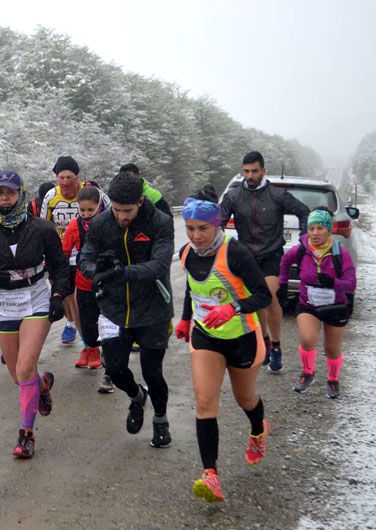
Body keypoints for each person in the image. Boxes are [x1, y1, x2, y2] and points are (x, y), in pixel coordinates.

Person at [0, 171, 70, 458]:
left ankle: (26, 435)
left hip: (35, 300)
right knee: (19, 378)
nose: (5, 198)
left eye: (10, 192)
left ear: (21, 194)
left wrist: (58, 296)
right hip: (4, 304)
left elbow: (60, 267)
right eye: (0, 193)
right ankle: (42, 383)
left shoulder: (42, 228)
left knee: (24, 368)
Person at [173, 190, 272, 503]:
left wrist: (233, 308)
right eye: (190, 229)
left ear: (217, 226)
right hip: (205, 336)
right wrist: (186, 320)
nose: (196, 236)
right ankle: (210, 474)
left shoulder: (235, 253)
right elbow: (193, 289)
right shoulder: (186, 253)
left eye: (203, 228)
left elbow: (264, 295)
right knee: (205, 402)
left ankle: (258, 429)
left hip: (242, 337)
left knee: (245, 398)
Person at [79, 173, 173, 448]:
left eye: (128, 211)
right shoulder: (101, 223)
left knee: (153, 372)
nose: (122, 216)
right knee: (115, 369)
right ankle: (137, 397)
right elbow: (85, 257)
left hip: (153, 308)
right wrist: (98, 270)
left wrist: (123, 273)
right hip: (114, 308)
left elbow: (160, 265)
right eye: (117, 210)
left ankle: (160, 419)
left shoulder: (160, 222)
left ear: (140, 202)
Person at [220, 151, 309, 372]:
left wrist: (304, 239)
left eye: (254, 171)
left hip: (271, 254)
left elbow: (304, 212)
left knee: (269, 297)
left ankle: (276, 346)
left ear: (263, 170)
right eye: (246, 171)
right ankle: (265, 341)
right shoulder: (233, 196)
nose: (250, 176)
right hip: (246, 256)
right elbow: (218, 221)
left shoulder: (277, 195)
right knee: (256, 301)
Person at [278, 207, 356, 399]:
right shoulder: (301, 250)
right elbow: (285, 262)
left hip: (335, 306)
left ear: (329, 230)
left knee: (331, 349)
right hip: (308, 304)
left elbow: (351, 284)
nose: (315, 233)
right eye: (311, 228)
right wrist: (283, 284)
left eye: (320, 228)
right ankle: (307, 373)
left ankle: (333, 379)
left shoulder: (340, 254)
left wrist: (333, 283)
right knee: (307, 339)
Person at [41, 156, 110, 346]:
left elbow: (113, 215)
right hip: (62, 250)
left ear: (77, 177)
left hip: (88, 253)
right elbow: (43, 225)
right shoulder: (50, 197)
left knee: (81, 299)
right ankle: (71, 323)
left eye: (68, 177)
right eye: (60, 178)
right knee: (66, 295)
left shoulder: (95, 193)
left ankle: (89, 339)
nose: (64, 182)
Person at [61, 186, 115, 393]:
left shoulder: (110, 223)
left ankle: (110, 371)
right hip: (84, 284)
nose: (85, 214)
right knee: (88, 326)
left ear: (99, 206)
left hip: (108, 283)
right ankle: (92, 348)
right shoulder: (74, 226)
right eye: (82, 210)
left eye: (90, 210)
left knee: (109, 327)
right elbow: (64, 251)